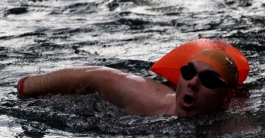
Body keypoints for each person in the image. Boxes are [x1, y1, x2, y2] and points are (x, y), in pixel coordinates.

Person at [17, 48, 240, 118]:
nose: (192, 83)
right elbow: (93, 75)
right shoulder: (147, 100)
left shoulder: (237, 128)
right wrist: (27, 86)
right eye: (188, 72)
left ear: (226, 100)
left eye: (209, 80)